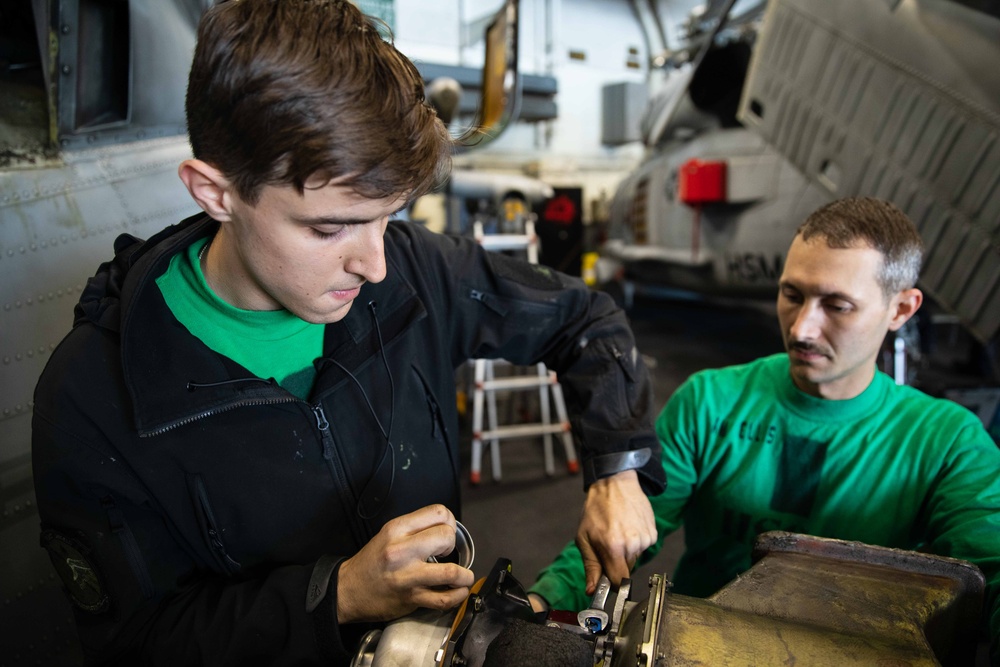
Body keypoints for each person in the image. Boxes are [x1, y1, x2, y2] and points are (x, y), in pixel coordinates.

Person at [29, 1, 664, 664]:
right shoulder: (92, 400)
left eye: (388, 216)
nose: (376, 263)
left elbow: (585, 319)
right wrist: (338, 594)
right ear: (215, 193)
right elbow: (138, 642)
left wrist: (617, 467)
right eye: (329, 228)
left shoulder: (416, 270)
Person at [530, 197, 1000, 660]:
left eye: (837, 305)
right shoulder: (709, 401)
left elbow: (990, 566)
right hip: (696, 650)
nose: (801, 329)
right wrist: (540, 604)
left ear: (901, 309)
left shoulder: (949, 443)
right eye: (792, 295)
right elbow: (624, 533)